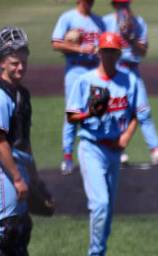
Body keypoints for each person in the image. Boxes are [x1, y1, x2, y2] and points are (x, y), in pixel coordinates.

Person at [65, 32, 141, 256]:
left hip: (115, 151)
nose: (109, 55)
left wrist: (126, 137)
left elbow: (138, 112)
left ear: (119, 54)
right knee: (100, 204)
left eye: (113, 51)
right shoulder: (84, 81)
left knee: (107, 210)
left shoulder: (128, 80)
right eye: (105, 50)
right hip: (91, 147)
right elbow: (71, 116)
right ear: (98, 52)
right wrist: (89, 113)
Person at [102, 0, 158, 166]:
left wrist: (131, 38)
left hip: (133, 70)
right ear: (114, 5)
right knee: (115, 111)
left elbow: (143, 50)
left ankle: (155, 150)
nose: (123, 8)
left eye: (125, 4)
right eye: (120, 5)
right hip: (114, 69)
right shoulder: (105, 22)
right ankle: (116, 150)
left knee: (143, 110)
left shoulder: (139, 23)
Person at [0, 27, 38, 256]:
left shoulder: (21, 94)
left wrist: (33, 178)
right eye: (14, 61)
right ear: (2, 62)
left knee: (21, 229)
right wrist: (16, 177)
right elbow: (0, 142)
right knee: (6, 231)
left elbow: (25, 140)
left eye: (23, 59)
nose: (20, 66)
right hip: (4, 171)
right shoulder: (1, 96)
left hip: (19, 168)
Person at [51, 0, 105, 176]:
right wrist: (79, 47)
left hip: (94, 72)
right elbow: (56, 43)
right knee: (72, 114)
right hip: (75, 71)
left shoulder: (99, 21)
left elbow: (105, 46)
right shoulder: (68, 17)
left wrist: (99, 50)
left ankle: (97, 154)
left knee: (97, 111)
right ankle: (67, 157)